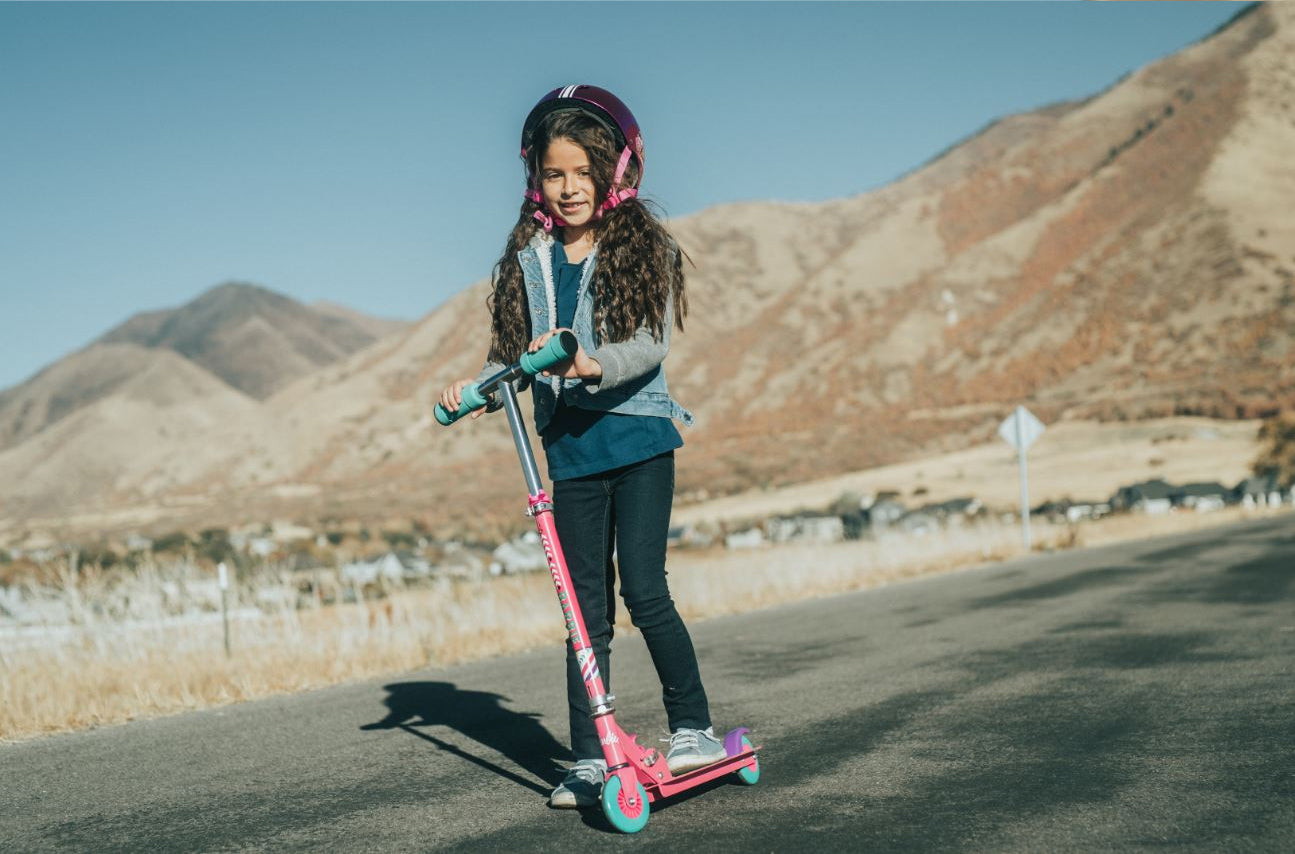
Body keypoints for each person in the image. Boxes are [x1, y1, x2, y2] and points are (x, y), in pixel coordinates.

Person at [437, 84, 725, 809]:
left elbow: (648, 344)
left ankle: (692, 724)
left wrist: (587, 362)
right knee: (582, 612)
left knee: (644, 590)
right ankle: (590, 757)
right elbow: (511, 354)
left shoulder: (638, 246)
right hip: (569, 452)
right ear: (535, 177)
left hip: (636, 437)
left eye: (582, 172)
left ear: (615, 169)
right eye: (553, 173)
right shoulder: (527, 262)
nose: (568, 189)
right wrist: (469, 391)